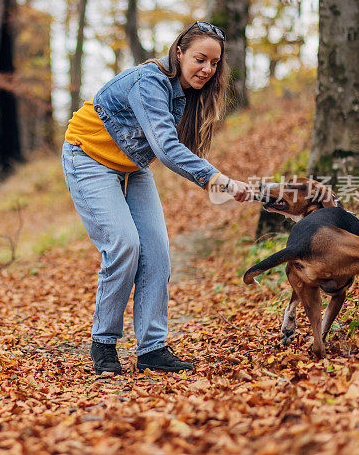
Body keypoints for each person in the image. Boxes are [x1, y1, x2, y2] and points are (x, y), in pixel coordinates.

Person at [61, 21, 254, 374]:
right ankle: (103, 343)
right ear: (178, 52)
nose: (207, 70)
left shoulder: (190, 95)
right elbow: (166, 148)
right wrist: (217, 179)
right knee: (124, 245)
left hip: (131, 167)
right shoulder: (149, 82)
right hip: (88, 157)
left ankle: (152, 348)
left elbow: (174, 148)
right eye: (200, 59)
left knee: (157, 252)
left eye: (214, 63)